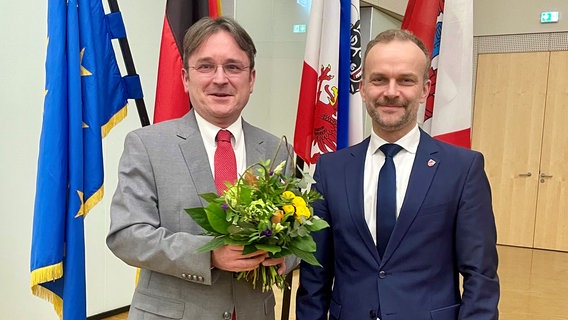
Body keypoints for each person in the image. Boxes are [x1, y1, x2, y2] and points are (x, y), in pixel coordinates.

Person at [296, 29, 499, 320]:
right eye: (379, 79)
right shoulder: (330, 169)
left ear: (424, 90)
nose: (391, 92)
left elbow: (481, 276)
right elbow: (315, 274)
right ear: (363, 87)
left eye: (406, 80)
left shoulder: (463, 169)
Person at [107, 16, 296, 320]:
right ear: (185, 77)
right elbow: (127, 235)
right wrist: (209, 253)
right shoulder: (147, 145)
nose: (220, 78)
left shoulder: (277, 150)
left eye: (233, 67)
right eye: (205, 66)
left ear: (252, 79)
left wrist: (286, 255)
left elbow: (296, 233)